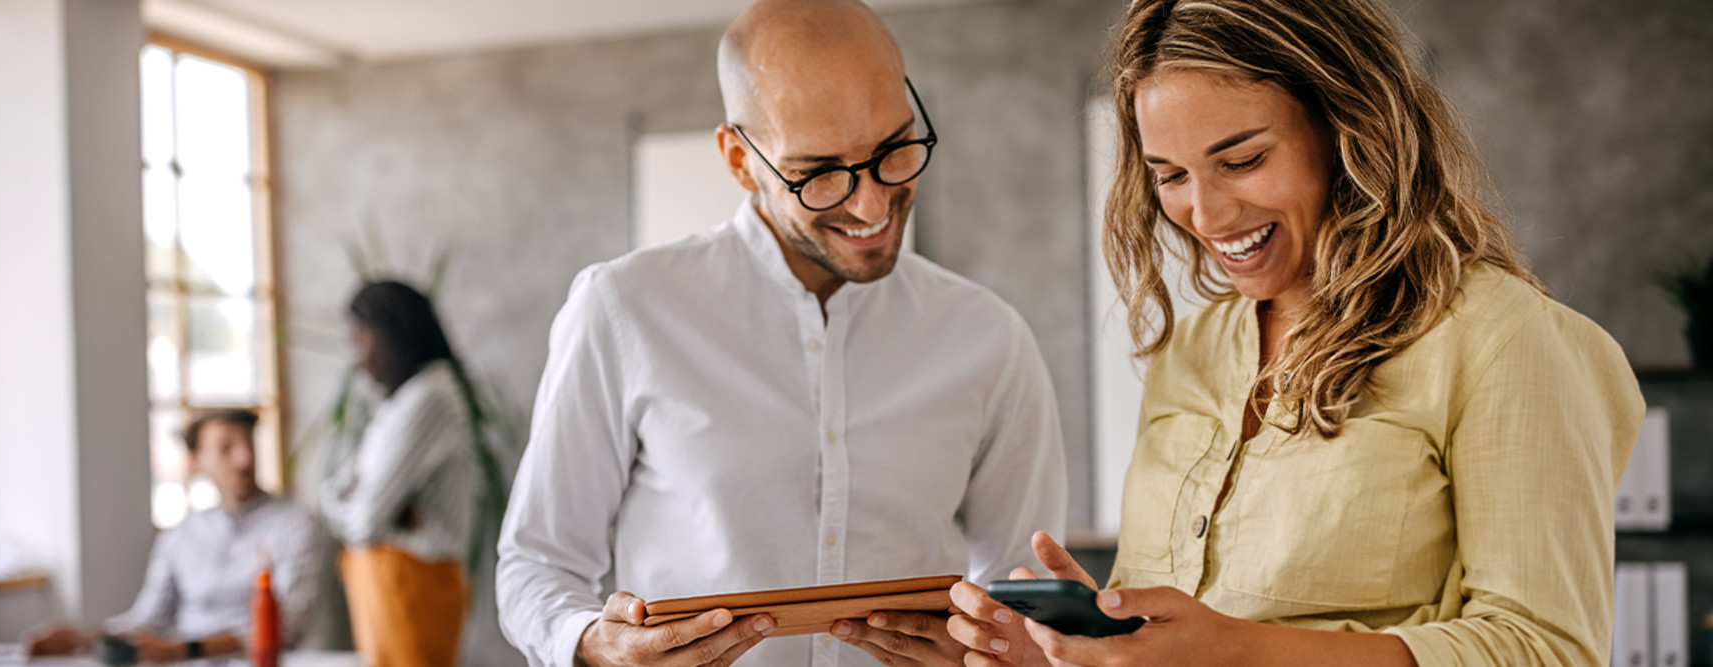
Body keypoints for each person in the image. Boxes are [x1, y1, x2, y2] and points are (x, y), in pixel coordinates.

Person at [946, 0, 1645, 665]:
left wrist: (1240, 653)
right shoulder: (1190, 353)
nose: (1207, 213)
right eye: (1170, 175)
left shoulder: (1504, 339)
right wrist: (1079, 643)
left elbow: (1546, 647)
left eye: (1243, 159)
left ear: (1348, 127)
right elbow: (1179, 638)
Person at [495, 1, 1069, 665]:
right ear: (740, 160)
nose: (871, 204)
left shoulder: (989, 338)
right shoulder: (623, 309)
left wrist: (999, 647)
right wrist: (593, 643)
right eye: (820, 172)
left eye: (893, 149)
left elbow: (1025, 595)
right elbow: (535, 565)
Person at [27, 409, 322, 663]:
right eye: (226, 448)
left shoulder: (295, 524)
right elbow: (147, 620)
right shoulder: (181, 535)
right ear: (197, 462)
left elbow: (284, 629)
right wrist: (84, 637)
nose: (244, 458)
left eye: (248, 444)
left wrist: (181, 650)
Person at [318, 280, 481, 667]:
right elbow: (338, 490)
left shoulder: (430, 397)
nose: (356, 358)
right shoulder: (400, 400)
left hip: (414, 585)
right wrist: (384, 512)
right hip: (387, 585)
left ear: (388, 334)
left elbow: (362, 521)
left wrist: (363, 506)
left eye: (360, 340)